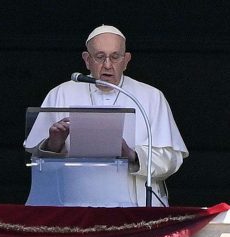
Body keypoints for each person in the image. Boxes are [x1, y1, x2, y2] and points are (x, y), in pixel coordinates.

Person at [24, 25, 188, 206]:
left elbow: (172, 159)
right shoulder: (60, 93)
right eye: (100, 57)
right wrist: (53, 143)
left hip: (134, 208)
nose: (108, 65)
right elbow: (37, 161)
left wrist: (132, 155)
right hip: (74, 205)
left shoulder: (151, 97)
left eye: (115, 57)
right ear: (87, 60)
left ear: (126, 60)